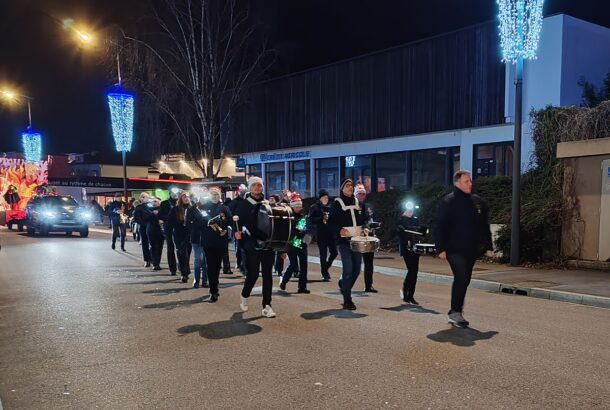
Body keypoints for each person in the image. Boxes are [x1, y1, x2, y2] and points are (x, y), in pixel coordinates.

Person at [435, 170, 493, 328]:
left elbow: (484, 226)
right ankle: (455, 312)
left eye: (470, 181)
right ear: (457, 183)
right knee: (461, 277)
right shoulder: (448, 202)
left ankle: (455, 310)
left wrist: (488, 246)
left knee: (465, 279)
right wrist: (440, 248)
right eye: (466, 181)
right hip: (453, 249)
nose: (470, 184)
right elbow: (440, 226)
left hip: (471, 249)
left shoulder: (477, 202)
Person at [234, 177, 277, 318]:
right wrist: (237, 232)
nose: (258, 187)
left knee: (267, 275)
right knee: (253, 274)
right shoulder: (243, 204)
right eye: (255, 185)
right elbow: (239, 223)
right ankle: (244, 295)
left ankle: (267, 305)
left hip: (267, 243)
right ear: (250, 188)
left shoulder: (268, 204)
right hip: (251, 242)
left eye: (260, 185)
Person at [328, 178, 369, 310]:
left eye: (351, 185)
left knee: (357, 270)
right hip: (343, 241)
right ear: (342, 188)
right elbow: (331, 222)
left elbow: (365, 219)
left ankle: (345, 288)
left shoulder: (358, 203)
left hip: (357, 239)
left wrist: (366, 227)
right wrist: (339, 230)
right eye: (347, 185)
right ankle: (347, 300)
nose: (350, 187)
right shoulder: (336, 204)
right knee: (348, 269)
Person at [202, 188, 232, 302]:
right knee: (211, 266)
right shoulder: (204, 207)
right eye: (213, 195)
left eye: (217, 195)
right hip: (208, 240)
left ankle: (215, 284)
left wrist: (227, 228)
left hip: (220, 240)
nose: (215, 197)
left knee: (217, 266)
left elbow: (230, 220)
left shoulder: (224, 207)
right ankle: (213, 290)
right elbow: (201, 222)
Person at [279, 193, 310, 294]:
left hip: (301, 242)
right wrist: (283, 250)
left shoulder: (302, 216)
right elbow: (287, 232)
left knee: (304, 265)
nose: (298, 208)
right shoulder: (288, 217)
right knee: (294, 265)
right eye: (296, 206)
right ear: (292, 206)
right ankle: (284, 281)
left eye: (300, 206)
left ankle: (302, 287)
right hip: (292, 242)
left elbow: (303, 230)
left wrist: (307, 236)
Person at [397, 203, 426, 305]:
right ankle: (405, 292)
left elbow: (420, 232)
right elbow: (398, 231)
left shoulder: (415, 219)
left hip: (415, 247)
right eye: (409, 210)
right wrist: (399, 229)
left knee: (415, 272)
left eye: (412, 210)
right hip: (406, 248)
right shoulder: (400, 219)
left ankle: (411, 296)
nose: (410, 212)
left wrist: (422, 230)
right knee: (411, 270)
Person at [308, 189, 337, 281]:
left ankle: (326, 267)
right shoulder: (315, 207)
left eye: (327, 198)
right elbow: (311, 219)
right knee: (323, 254)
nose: (326, 199)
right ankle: (325, 274)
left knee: (334, 252)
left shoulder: (330, 207)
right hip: (321, 233)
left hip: (331, 233)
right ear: (320, 198)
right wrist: (321, 218)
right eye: (324, 197)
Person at [355, 184, 377, 293]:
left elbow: (369, 219)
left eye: (364, 194)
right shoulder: (352, 206)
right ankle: (343, 280)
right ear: (355, 194)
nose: (362, 196)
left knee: (369, 262)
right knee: (354, 262)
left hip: (367, 236)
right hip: (355, 237)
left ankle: (368, 285)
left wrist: (370, 226)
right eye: (360, 193)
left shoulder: (368, 206)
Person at [169, 192, 193, 283]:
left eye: (188, 196)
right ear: (180, 199)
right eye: (184, 197)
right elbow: (170, 222)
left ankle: (182, 267)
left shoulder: (192, 208)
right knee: (182, 253)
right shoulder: (175, 209)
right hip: (179, 234)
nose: (186, 198)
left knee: (188, 253)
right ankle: (184, 273)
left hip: (189, 234)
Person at [187, 194, 208, 288]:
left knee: (205, 260)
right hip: (196, 237)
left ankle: (205, 280)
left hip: (206, 237)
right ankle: (196, 280)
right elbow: (188, 222)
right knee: (198, 259)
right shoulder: (192, 209)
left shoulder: (208, 208)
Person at [159, 189, 180, 276]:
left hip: (180, 228)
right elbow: (160, 215)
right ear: (170, 194)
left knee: (181, 248)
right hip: (169, 227)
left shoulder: (180, 202)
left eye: (176, 193)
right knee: (170, 248)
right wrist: (169, 218)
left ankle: (181, 266)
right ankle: (172, 268)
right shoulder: (165, 203)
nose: (175, 194)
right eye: (173, 193)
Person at [228, 184, 247, 275]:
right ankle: (241, 264)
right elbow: (230, 215)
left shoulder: (250, 202)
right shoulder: (234, 202)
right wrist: (234, 227)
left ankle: (245, 265)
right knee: (240, 247)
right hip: (238, 228)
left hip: (249, 228)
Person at [133, 192, 152, 267]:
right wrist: (143, 223)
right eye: (146, 197)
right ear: (141, 198)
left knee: (153, 244)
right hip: (144, 228)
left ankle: (152, 258)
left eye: (148, 197)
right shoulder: (139, 207)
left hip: (151, 228)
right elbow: (137, 218)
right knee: (145, 244)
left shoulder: (150, 206)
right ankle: (147, 260)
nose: (148, 199)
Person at [147, 197, 165, 271]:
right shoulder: (149, 209)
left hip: (161, 230)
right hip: (151, 230)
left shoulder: (163, 209)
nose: (155, 203)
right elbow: (145, 218)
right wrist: (152, 213)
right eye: (153, 201)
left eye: (156, 201)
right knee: (153, 246)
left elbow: (166, 217)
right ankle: (155, 263)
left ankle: (157, 262)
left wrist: (162, 220)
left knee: (160, 247)